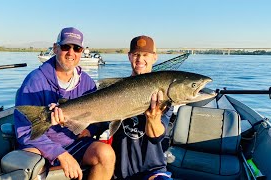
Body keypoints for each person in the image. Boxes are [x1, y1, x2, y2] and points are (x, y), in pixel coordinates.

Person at [14, 27, 115, 180]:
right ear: (55, 48)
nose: (71, 53)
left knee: (106, 154)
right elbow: (25, 132)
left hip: (75, 143)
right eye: (66, 47)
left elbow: (97, 117)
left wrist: (90, 129)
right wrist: (60, 154)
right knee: (30, 164)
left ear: (82, 52)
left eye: (77, 48)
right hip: (40, 145)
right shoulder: (34, 80)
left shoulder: (87, 82)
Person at [111, 35, 173, 180]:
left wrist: (153, 117)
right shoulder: (115, 90)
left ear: (154, 58)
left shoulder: (164, 97)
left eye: (145, 55)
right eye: (136, 55)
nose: (140, 59)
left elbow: (156, 137)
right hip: (119, 170)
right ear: (129, 56)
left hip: (153, 170)